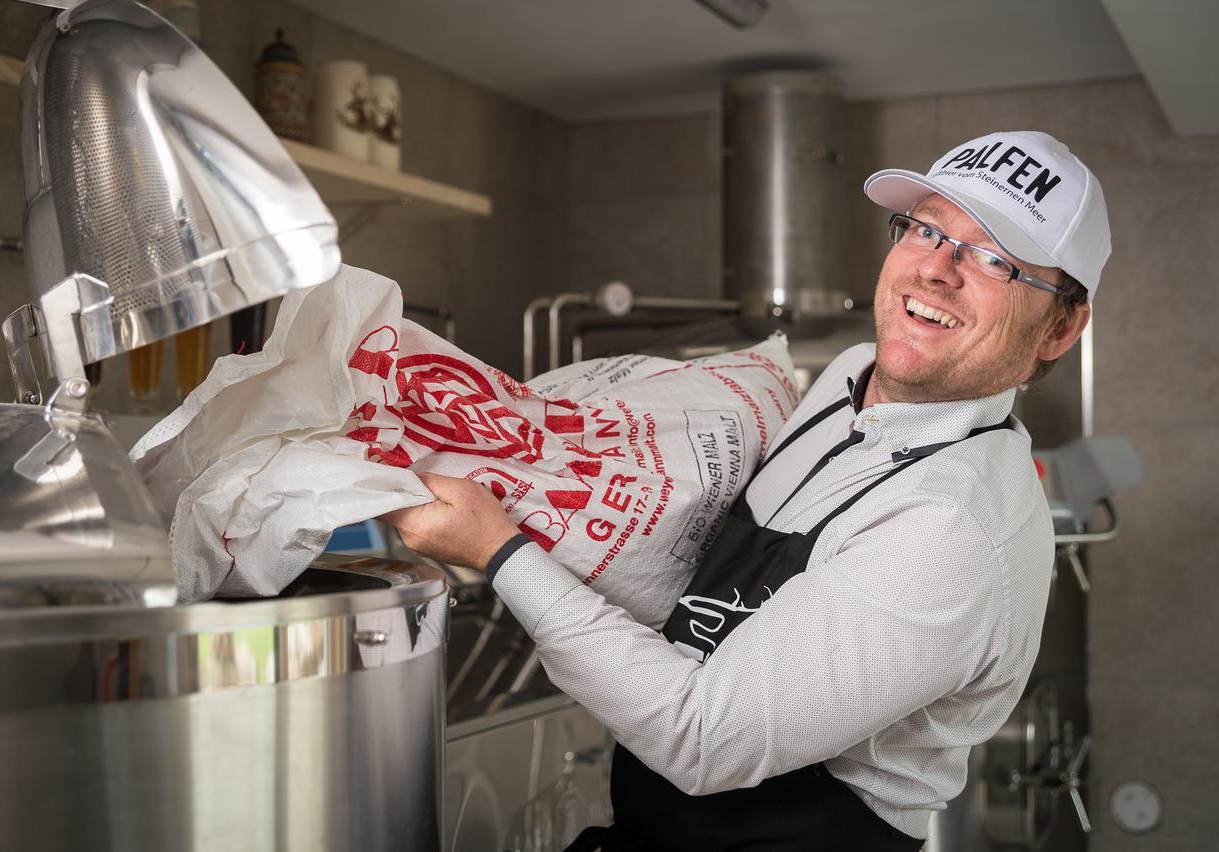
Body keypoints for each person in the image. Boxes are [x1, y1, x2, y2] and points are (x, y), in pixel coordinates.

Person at [382, 130, 1110, 851]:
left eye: (994, 260)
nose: (936, 270)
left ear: (1060, 329)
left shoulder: (953, 526)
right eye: (927, 228)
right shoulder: (850, 375)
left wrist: (500, 549)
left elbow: (705, 740)